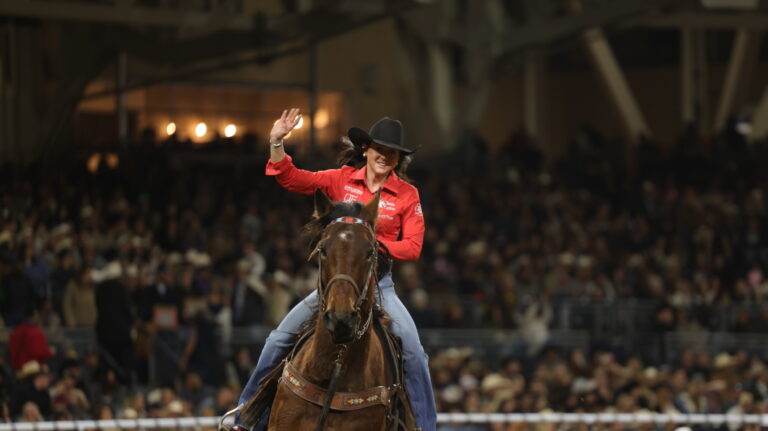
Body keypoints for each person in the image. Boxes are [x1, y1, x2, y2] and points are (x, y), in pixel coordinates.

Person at [237, 108, 436, 430]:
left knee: (415, 354)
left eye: (392, 153)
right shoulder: (340, 178)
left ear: (399, 159)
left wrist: (370, 246)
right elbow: (291, 178)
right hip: (334, 284)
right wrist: (276, 143)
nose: (385, 157)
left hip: (378, 285)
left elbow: (413, 246)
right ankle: (244, 418)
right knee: (277, 341)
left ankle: (426, 427)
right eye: (380, 149)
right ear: (365, 150)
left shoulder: (407, 195)